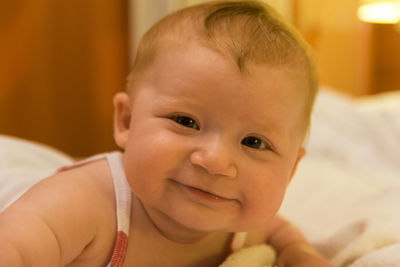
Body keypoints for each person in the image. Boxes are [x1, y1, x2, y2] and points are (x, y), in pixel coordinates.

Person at [0, 1, 331, 266]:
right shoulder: (85, 204)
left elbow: (278, 230)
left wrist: (299, 252)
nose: (215, 162)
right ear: (127, 121)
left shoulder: (242, 223)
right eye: (186, 121)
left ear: (291, 170)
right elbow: (14, 247)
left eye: (254, 142)